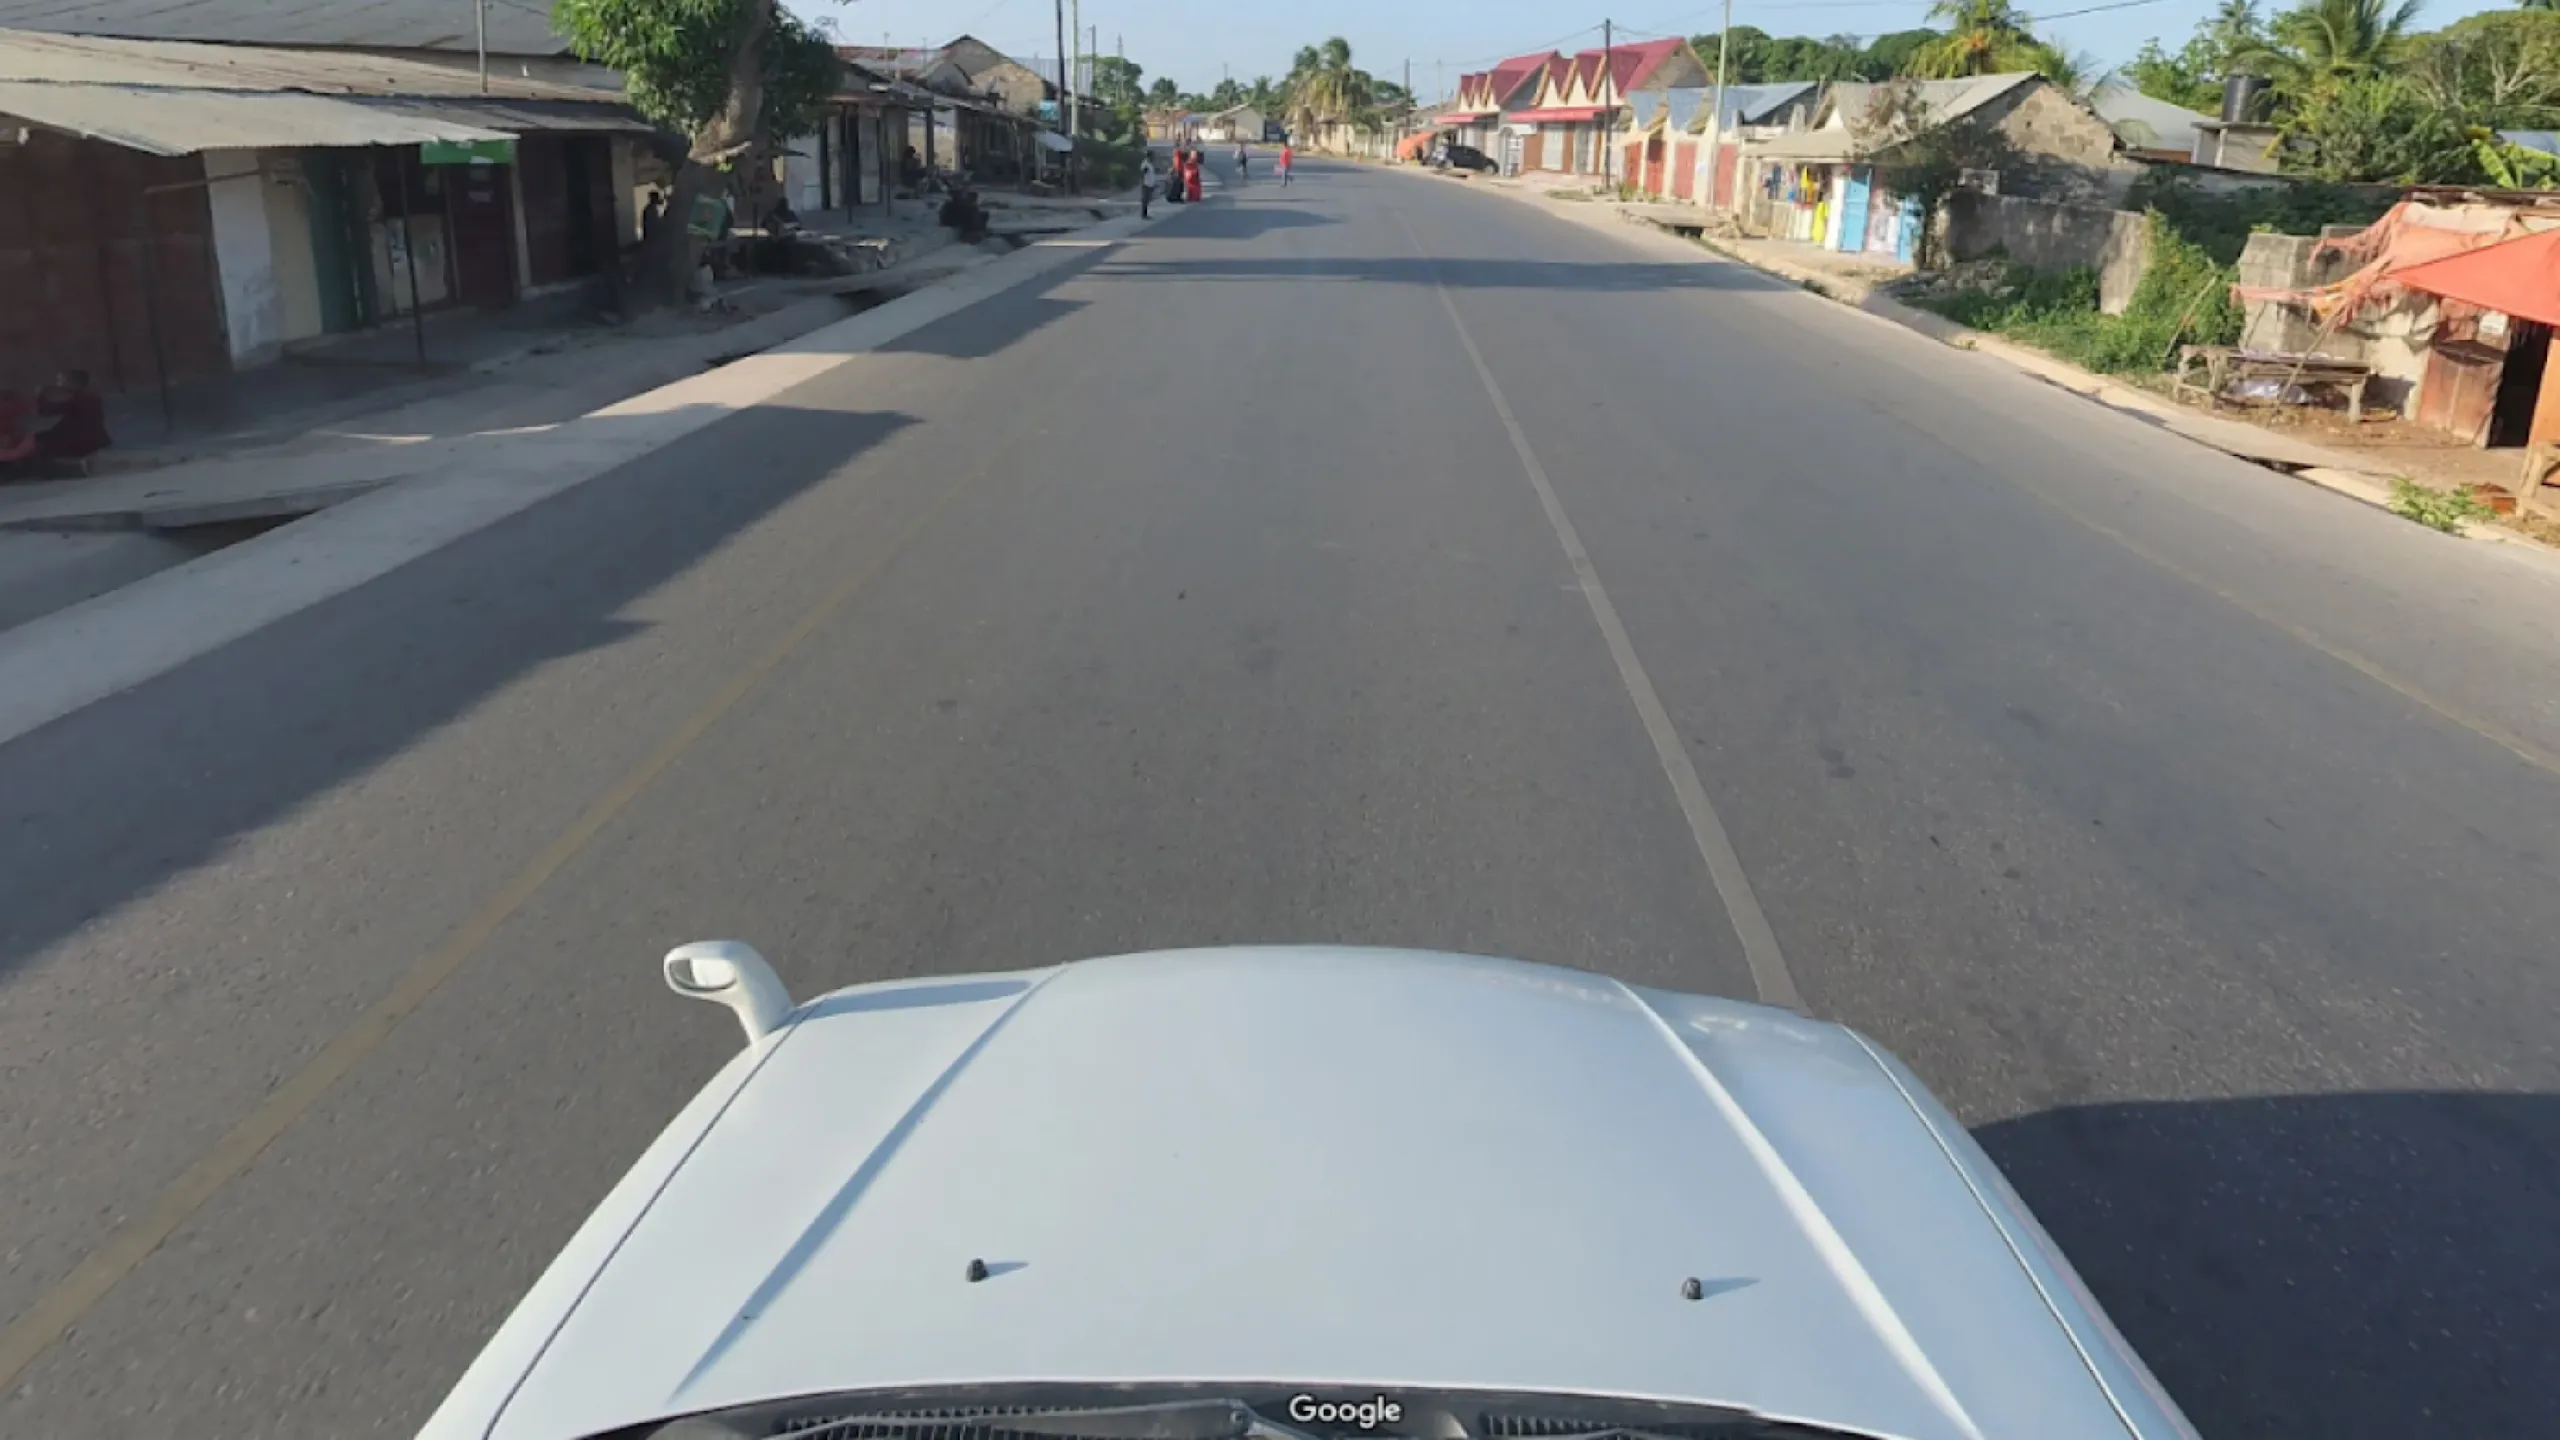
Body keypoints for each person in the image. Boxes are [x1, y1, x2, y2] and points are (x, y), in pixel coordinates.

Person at [31, 369, 108, 464]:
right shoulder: (89, 397)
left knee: (39, 443)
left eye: (62, 381)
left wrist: (40, 396)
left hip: (80, 441)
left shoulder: (80, 399)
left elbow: (47, 411)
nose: (60, 384)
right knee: (40, 438)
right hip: (91, 440)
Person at [1138, 153, 1157, 218]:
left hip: (1150, 184)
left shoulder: (1150, 164)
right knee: (1145, 199)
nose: (1153, 158)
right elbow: (1143, 174)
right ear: (1149, 156)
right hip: (1146, 184)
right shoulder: (1145, 164)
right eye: (1152, 156)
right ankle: (1143, 214)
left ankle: (1145, 213)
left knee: (1148, 199)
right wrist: (1143, 183)